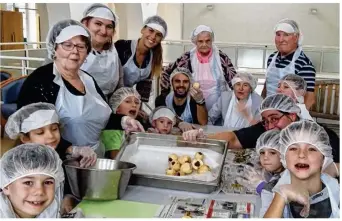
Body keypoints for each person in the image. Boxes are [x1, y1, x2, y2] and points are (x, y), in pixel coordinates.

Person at [17, 19, 143, 157]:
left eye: (81, 46)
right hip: (59, 162)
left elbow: (99, 116)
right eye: (67, 45)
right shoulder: (40, 81)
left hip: (94, 157)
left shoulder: (87, 79)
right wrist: (72, 150)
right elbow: (34, 131)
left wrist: (123, 121)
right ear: (54, 48)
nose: (75, 51)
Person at [182, 94, 340, 173]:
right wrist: (202, 137)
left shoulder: (320, 136)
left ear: (292, 116)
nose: (270, 126)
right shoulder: (266, 129)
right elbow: (233, 138)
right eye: (266, 120)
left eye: (275, 119)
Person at [264, 121, 340, 218]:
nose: (301, 155)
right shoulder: (270, 190)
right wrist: (281, 195)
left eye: (312, 149)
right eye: (293, 149)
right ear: (283, 156)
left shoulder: (337, 194)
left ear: (324, 158)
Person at [159, 25, 236, 111]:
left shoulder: (221, 57)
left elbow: (234, 80)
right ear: (195, 42)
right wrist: (166, 94)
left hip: (218, 105)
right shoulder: (187, 57)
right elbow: (167, 72)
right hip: (193, 105)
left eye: (207, 41)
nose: (204, 44)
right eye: (200, 41)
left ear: (212, 41)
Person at [262, 19, 316, 109]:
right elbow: (267, 85)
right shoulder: (271, 58)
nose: (281, 39)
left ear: (296, 37)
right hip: (268, 110)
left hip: (288, 115)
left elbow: (309, 99)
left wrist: (296, 119)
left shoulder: (304, 64)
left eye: (286, 35)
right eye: (278, 35)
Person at [0, 143, 64, 218]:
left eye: (48, 182)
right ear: (6, 186)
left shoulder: (54, 208)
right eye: (28, 182)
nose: (40, 191)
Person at [115, 15, 167, 103]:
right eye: (151, 30)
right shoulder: (122, 46)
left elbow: (143, 93)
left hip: (125, 99)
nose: (153, 37)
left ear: (161, 39)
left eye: (158, 35)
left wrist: (138, 108)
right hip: (111, 95)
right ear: (142, 30)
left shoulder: (153, 59)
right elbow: (111, 78)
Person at [236, 130, 285, 217]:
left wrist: (262, 187)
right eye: (262, 152)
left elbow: (269, 213)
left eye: (272, 152)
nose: (265, 157)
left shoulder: (287, 178)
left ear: (284, 153)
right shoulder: (276, 172)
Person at [80, 3, 123, 98]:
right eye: (98, 24)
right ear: (85, 24)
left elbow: (119, 88)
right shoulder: (70, 51)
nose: (103, 31)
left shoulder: (113, 55)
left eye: (109, 27)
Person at [101, 87, 142, 159]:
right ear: (117, 108)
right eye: (128, 101)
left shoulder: (133, 127)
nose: (134, 105)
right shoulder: (113, 130)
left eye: (137, 102)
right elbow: (116, 157)